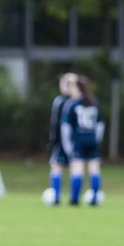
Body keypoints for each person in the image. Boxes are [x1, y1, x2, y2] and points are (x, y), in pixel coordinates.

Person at [60, 74, 104, 206]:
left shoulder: (72, 104)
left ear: (78, 88)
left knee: (77, 169)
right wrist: (97, 140)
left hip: (78, 141)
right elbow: (100, 125)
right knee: (94, 169)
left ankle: (74, 199)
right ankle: (95, 198)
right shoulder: (94, 103)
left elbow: (66, 127)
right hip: (92, 140)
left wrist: (67, 145)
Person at [46, 73, 76, 204]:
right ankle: (73, 199)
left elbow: (55, 123)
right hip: (76, 141)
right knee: (75, 168)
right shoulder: (81, 101)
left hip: (62, 141)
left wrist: (52, 140)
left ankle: (56, 197)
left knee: (56, 166)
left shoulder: (60, 101)